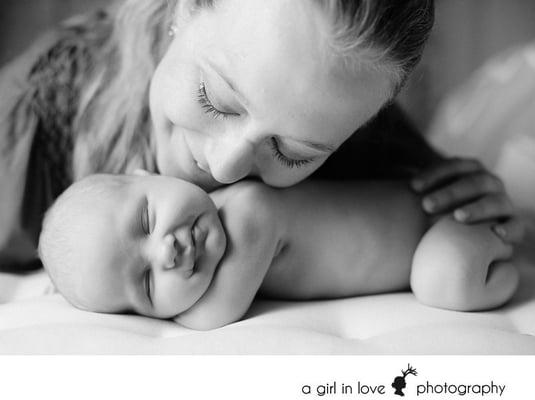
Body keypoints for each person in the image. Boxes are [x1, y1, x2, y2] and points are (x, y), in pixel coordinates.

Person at [0, 0, 522, 272]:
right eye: (216, 100)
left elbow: (472, 226)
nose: (226, 168)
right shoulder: (29, 123)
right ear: (184, 9)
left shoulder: (356, 122)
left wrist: (484, 214)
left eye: (292, 154)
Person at [38, 173, 518, 330]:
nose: (166, 251)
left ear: (145, 174)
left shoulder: (249, 208)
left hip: (435, 224)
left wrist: (155, 306)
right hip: (425, 234)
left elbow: (211, 318)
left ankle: (507, 257)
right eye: (145, 281)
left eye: (145, 221)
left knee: (443, 279)